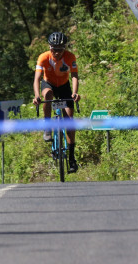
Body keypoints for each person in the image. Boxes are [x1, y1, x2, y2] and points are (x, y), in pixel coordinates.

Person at [32, 31, 81, 173]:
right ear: (50, 47)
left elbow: (74, 75)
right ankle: (47, 127)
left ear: (64, 48)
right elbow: (37, 79)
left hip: (64, 87)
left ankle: (71, 159)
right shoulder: (43, 57)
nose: (57, 52)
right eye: (54, 49)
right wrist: (37, 96)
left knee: (70, 122)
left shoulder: (70, 57)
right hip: (49, 84)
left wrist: (75, 92)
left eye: (60, 49)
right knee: (47, 94)